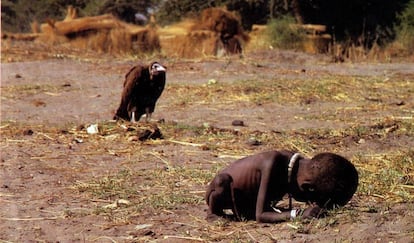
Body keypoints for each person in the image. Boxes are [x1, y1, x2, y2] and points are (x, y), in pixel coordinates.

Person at [205, 150, 358, 223]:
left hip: (246, 201)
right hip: (224, 193)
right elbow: (261, 215)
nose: (310, 204)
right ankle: (213, 213)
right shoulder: (273, 164)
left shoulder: (296, 167)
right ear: (306, 187)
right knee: (221, 183)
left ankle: (244, 211)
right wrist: (297, 214)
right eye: (311, 200)